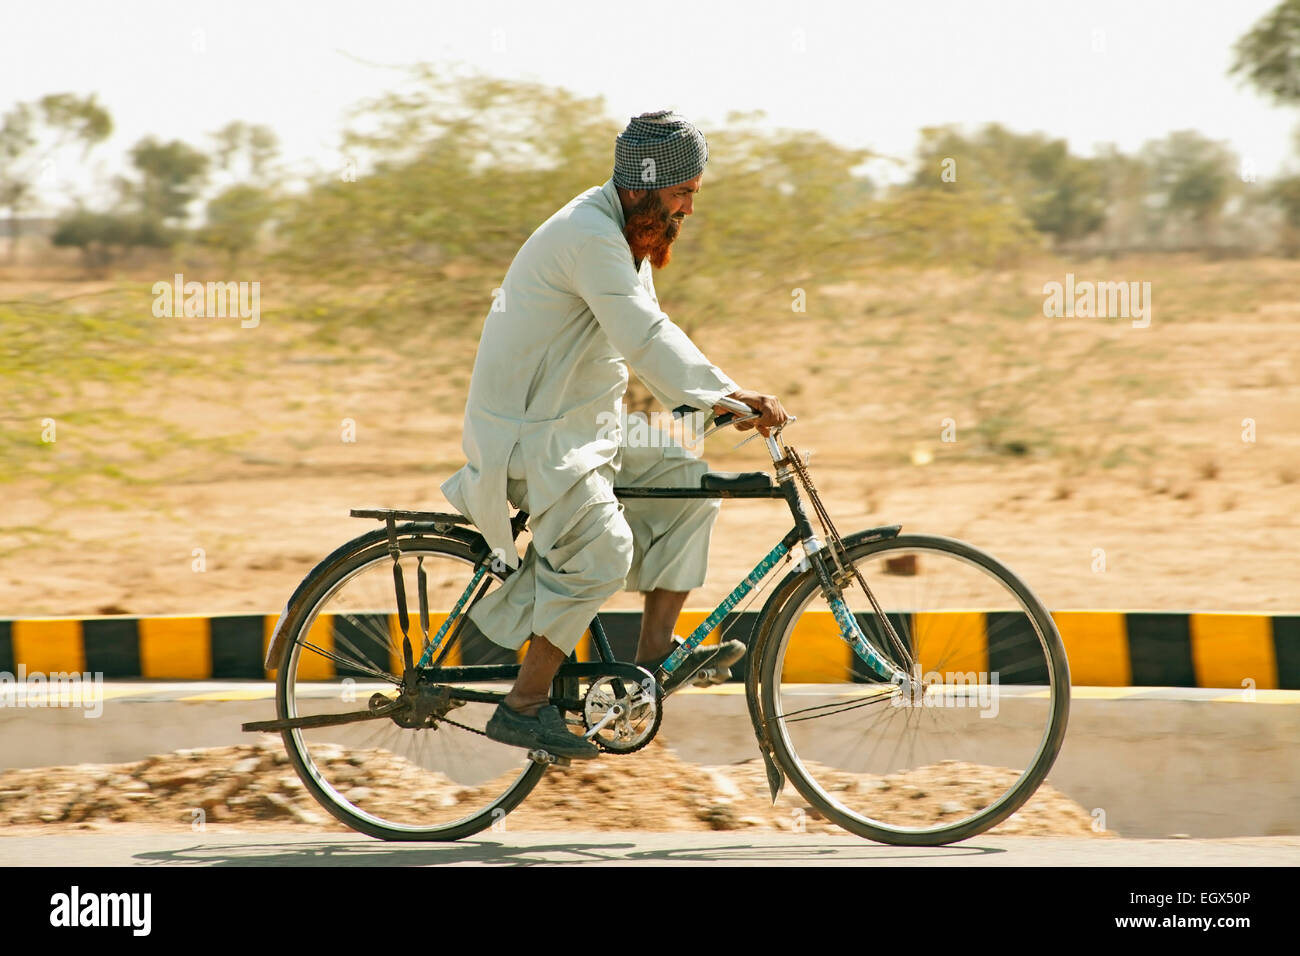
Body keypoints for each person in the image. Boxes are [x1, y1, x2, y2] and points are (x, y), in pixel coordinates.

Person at [441, 110, 788, 759]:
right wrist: (724, 393)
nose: (689, 206)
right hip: (534, 436)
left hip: (582, 424)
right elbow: (645, 336)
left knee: (686, 475)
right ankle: (525, 704)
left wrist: (704, 406)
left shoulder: (624, 234)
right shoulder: (590, 235)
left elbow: (644, 331)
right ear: (643, 188)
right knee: (604, 552)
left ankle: (655, 648)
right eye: (682, 192)